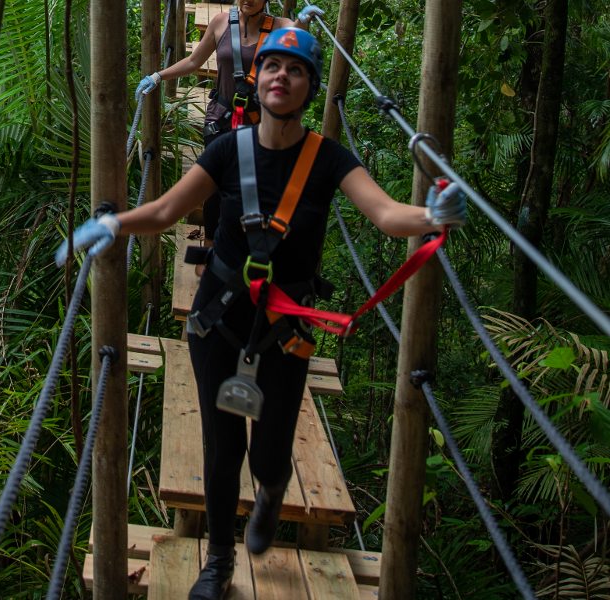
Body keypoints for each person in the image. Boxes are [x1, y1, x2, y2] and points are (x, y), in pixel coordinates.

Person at [58, 27, 466, 600]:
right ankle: (218, 561)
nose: (281, 77)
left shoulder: (329, 160)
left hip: (285, 327)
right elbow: (169, 209)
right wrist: (114, 224)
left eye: (295, 70)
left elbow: (385, 213)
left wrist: (430, 216)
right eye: (272, 66)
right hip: (217, 317)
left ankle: (271, 494)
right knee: (223, 450)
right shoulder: (228, 149)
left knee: (271, 452)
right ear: (258, 78)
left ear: (308, 86)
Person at [134, 1, 325, 271]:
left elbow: (298, 39)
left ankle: (244, 253)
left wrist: (304, 22)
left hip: (260, 124)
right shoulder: (220, 22)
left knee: (253, 190)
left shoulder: (280, 27)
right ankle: (212, 248)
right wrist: (157, 76)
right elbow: (193, 61)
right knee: (218, 187)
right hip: (220, 120)